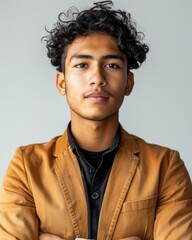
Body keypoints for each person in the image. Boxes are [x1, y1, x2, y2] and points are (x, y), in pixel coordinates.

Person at [0, 1, 192, 239]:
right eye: (82, 65)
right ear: (62, 83)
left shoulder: (165, 167)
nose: (97, 78)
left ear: (128, 83)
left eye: (111, 65)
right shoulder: (27, 166)